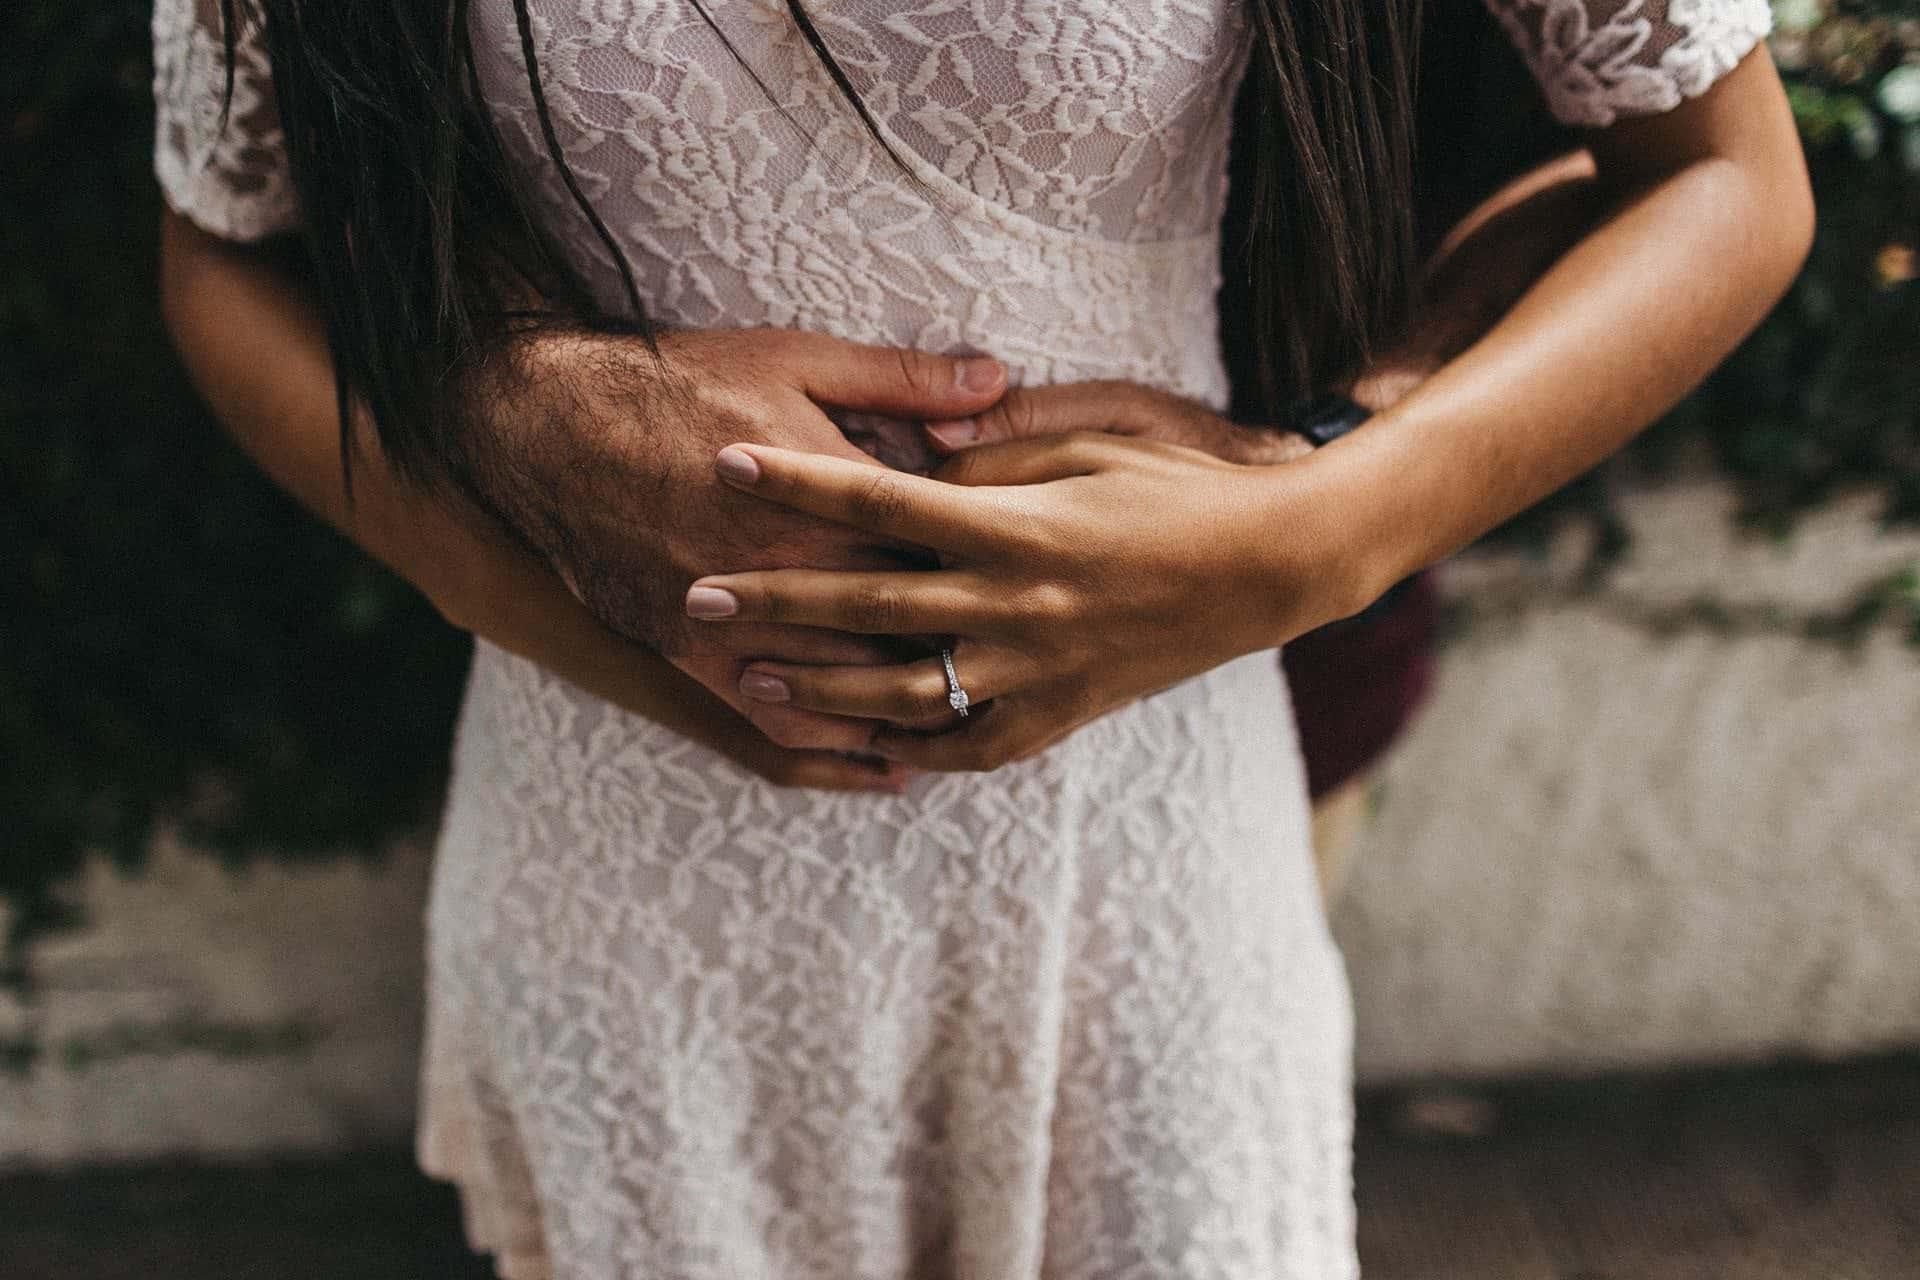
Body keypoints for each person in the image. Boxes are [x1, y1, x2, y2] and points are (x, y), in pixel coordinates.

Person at [154, 1, 1811, 1276]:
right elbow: (228, 249)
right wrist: (552, 561)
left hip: (1146, 834)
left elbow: (1728, 175)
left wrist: (1320, 517)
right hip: (631, 855)